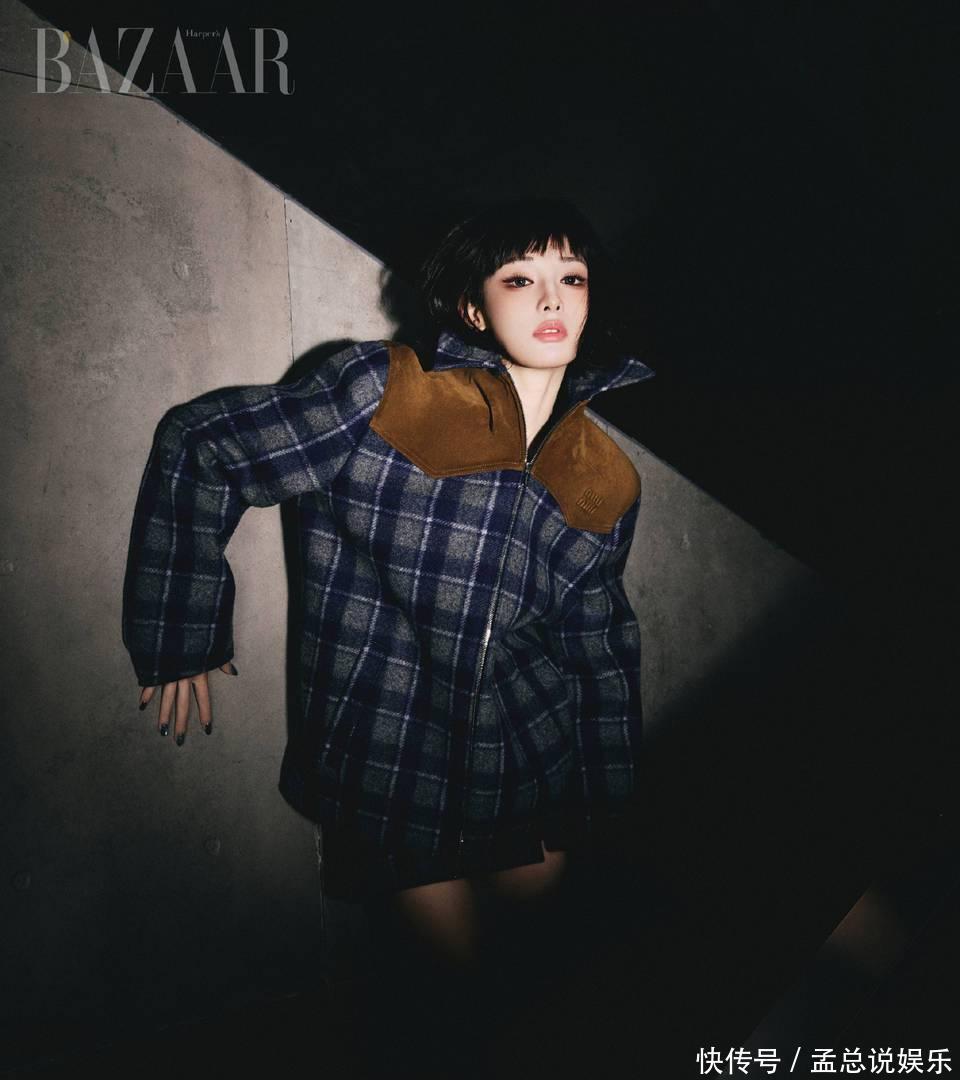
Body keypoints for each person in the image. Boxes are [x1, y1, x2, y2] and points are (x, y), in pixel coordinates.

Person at [122, 196, 655, 1072]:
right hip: (393, 765)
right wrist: (178, 633)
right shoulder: (384, 391)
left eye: (572, 278)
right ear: (474, 308)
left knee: (544, 992)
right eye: (520, 279)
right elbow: (205, 444)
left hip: (533, 765)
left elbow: (598, 644)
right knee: (463, 1005)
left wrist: (609, 799)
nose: (551, 299)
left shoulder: (606, 474)